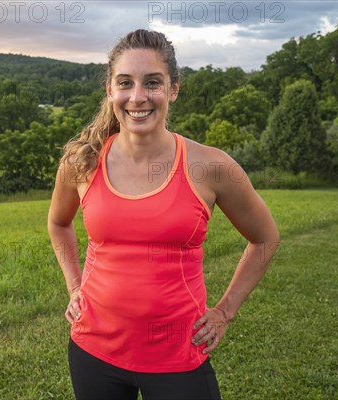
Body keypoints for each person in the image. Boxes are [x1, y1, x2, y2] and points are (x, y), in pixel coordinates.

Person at [47, 29, 280, 400]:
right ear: (110, 90)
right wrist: (74, 287)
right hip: (93, 352)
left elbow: (265, 238)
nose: (138, 97)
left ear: (173, 89)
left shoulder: (211, 166)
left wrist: (224, 312)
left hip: (178, 358)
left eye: (152, 83)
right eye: (125, 83)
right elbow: (58, 224)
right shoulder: (82, 161)